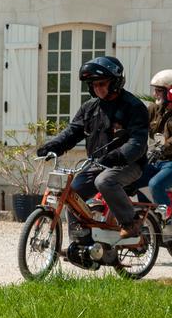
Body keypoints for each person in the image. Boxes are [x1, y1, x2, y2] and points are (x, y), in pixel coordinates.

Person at [36, 56, 149, 239]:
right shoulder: (89, 107)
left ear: (115, 82)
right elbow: (73, 132)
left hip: (128, 164)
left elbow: (138, 142)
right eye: (93, 84)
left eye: (102, 83)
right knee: (70, 193)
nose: (97, 88)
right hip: (97, 163)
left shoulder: (134, 107)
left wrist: (118, 156)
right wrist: (52, 146)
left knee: (104, 181)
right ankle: (80, 240)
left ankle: (131, 222)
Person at [141, 69, 172, 205]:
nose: (154, 94)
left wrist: (163, 147)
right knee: (129, 180)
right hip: (157, 161)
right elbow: (139, 126)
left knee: (155, 185)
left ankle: (167, 220)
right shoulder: (154, 109)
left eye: (159, 90)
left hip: (170, 161)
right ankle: (147, 215)